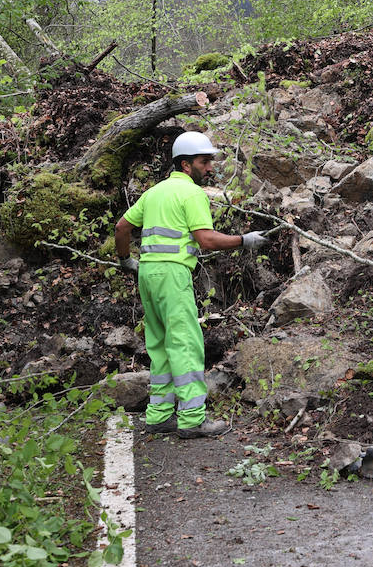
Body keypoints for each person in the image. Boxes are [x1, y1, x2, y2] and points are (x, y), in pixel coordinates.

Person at [114, 131, 265, 439]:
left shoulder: (154, 192)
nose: (209, 168)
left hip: (148, 273)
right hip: (172, 275)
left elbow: (122, 227)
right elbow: (206, 240)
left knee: (159, 345)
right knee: (185, 343)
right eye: (203, 161)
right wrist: (243, 241)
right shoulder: (192, 195)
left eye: (209, 161)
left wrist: (125, 261)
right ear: (185, 164)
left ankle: (158, 415)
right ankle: (193, 419)